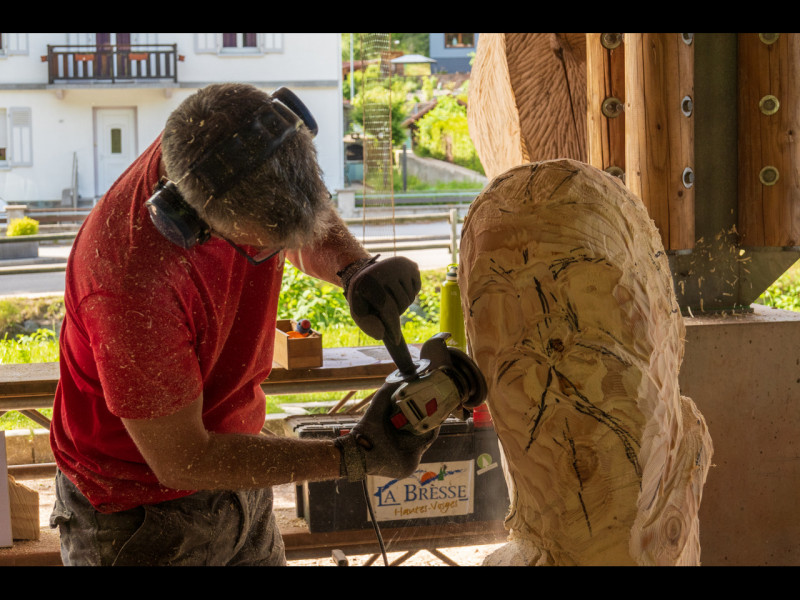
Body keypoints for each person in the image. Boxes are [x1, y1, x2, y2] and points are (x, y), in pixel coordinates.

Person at [48, 82, 433, 566]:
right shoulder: (130, 281)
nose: (279, 252)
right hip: (139, 514)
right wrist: (349, 456)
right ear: (188, 220)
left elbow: (297, 218)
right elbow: (182, 459)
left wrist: (355, 269)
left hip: (238, 471)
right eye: (266, 247)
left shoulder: (225, 141)